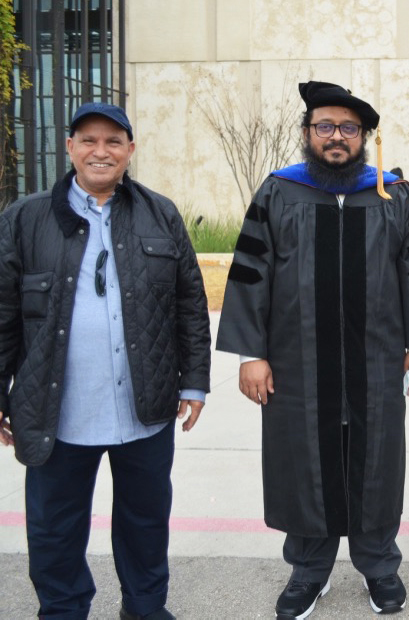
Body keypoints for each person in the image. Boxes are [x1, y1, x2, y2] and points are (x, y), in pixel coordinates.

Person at [216, 81, 409, 618]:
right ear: (307, 132)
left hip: (377, 358)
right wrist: (251, 354)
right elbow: (251, 273)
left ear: (364, 137)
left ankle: (380, 567)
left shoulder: (392, 194)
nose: (336, 137)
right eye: (325, 127)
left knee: (377, 463)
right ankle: (309, 571)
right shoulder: (278, 191)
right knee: (303, 464)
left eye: (348, 128)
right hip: (296, 363)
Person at [0, 102, 211, 620]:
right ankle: (64, 609)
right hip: (57, 410)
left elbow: (190, 301)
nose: (101, 151)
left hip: (145, 402)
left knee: (145, 521)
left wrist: (195, 382)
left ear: (130, 151)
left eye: (113, 141)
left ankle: (144, 608)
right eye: (88, 140)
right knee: (54, 526)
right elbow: (3, 310)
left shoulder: (160, 212)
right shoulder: (25, 219)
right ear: (69, 147)